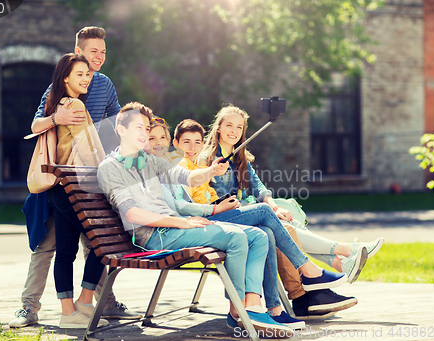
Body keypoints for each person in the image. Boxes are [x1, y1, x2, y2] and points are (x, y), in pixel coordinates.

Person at [99, 102, 319, 334]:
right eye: (139, 128)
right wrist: (182, 222)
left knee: (258, 236)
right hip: (156, 236)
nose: (144, 133)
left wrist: (211, 171)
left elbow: (189, 176)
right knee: (236, 237)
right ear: (121, 130)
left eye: (146, 128)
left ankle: (252, 306)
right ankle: (238, 311)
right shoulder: (110, 167)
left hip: (175, 229)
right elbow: (132, 213)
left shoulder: (150, 161)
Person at [148, 117, 354, 325]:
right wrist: (215, 207)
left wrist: (232, 203)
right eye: (186, 142)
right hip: (202, 221)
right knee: (266, 215)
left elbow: (250, 185)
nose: (192, 147)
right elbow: (180, 205)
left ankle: (276, 307)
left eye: (197, 142)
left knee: (269, 230)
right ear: (176, 143)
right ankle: (310, 274)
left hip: (214, 214)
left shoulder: (192, 164)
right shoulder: (187, 164)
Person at [198, 105, 385, 314]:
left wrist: (274, 206)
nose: (234, 131)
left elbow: (258, 187)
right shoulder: (210, 159)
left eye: (239, 127)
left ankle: (329, 272)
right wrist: (261, 209)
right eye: (229, 125)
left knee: (289, 224)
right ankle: (336, 260)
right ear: (218, 128)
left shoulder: (238, 156)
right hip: (225, 219)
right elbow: (225, 200)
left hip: (247, 212)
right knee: (283, 228)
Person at [10, 27, 139, 329]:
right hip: (62, 178)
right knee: (49, 246)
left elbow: (116, 124)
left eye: (103, 52)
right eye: (94, 51)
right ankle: (30, 307)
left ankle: (99, 304)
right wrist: (58, 118)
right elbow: (36, 123)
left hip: (90, 178)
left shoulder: (104, 84)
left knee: (92, 243)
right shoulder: (58, 86)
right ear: (78, 53)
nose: (99, 58)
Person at [39, 53, 108, 328]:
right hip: (77, 188)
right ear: (65, 77)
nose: (86, 78)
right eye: (79, 74)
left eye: (87, 74)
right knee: (102, 244)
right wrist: (106, 177)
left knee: (66, 251)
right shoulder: (75, 105)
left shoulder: (57, 103)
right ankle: (83, 302)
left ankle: (69, 313)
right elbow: (90, 149)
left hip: (61, 186)